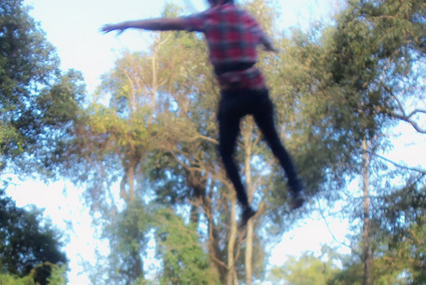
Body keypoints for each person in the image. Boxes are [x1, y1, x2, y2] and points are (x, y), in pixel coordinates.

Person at [101, 0, 306, 228]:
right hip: (256, 90)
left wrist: (128, 23)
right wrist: (268, 45)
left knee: (226, 154)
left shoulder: (208, 17)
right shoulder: (245, 16)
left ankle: (245, 205)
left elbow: (164, 23)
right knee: (275, 143)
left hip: (233, 95)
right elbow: (264, 39)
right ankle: (296, 188)